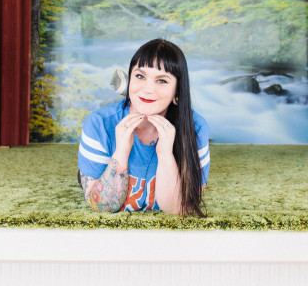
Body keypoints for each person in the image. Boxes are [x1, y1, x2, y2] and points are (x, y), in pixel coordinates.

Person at [77, 39, 210, 216]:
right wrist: (121, 152)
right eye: (140, 76)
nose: (148, 89)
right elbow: (103, 206)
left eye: (162, 81)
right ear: (130, 79)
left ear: (177, 92)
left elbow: (177, 209)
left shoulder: (196, 129)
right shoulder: (99, 124)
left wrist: (165, 154)